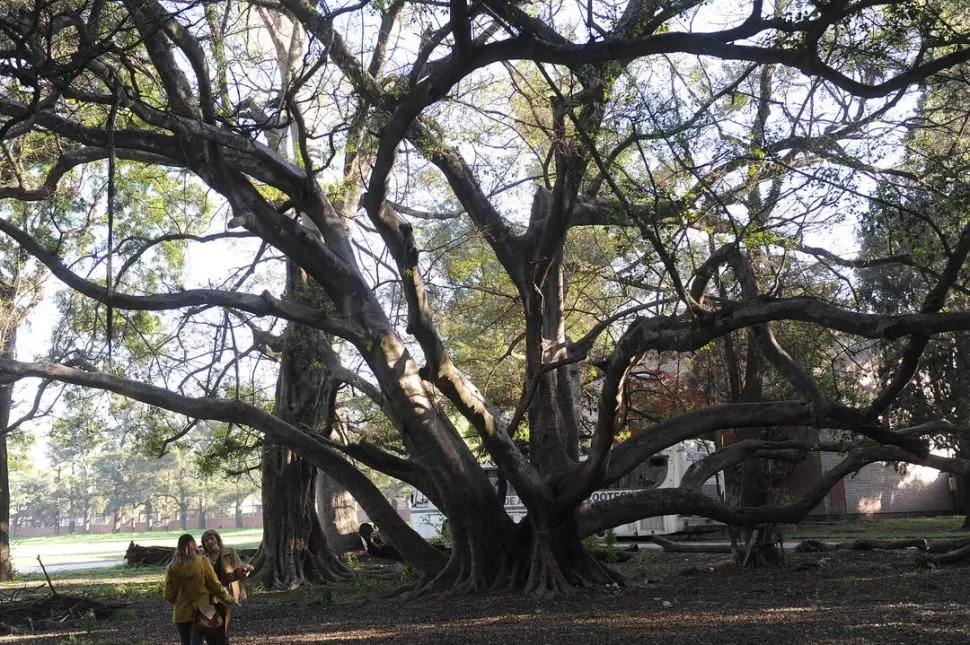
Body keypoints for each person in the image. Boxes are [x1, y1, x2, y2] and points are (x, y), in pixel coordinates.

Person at [164, 533, 236, 645]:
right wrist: (228, 598)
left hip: (181, 612)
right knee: (197, 641)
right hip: (201, 611)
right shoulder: (202, 562)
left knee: (185, 642)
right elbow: (215, 585)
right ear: (194, 545)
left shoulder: (172, 567)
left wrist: (178, 602)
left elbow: (168, 594)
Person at [200, 529, 255, 645]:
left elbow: (238, 572)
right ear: (204, 544)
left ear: (217, 539)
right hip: (208, 597)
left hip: (226, 594)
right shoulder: (202, 558)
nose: (209, 542)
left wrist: (245, 571)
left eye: (211, 538)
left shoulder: (229, 552)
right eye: (206, 540)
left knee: (223, 629)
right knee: (209, 629)